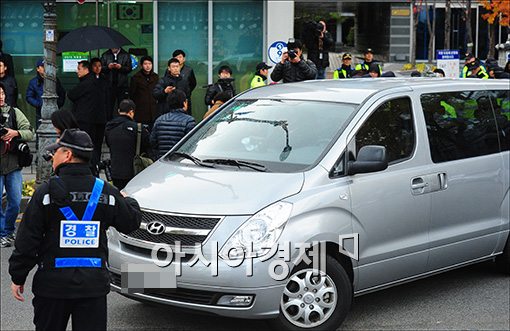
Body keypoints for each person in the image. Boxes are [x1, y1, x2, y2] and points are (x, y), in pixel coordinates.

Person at [8, 128, 142, 330]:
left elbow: (28, 240)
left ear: (68, 155)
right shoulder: (106, 192)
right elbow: (131, 222)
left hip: (52, 286)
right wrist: (128, 200)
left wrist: (18, 276)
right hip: (93, 286)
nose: (52, 156)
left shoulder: (45, 193)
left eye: (57, 151)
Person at [0, 82, 34, 248]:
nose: (0, 96)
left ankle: (8, 231)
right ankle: (2, 233)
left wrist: (16, 133)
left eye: (2, 93)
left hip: (13, 164)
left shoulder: (14, 112)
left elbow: (29, 132)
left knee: (15, 200)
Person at [105, 99, 151, 190]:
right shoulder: (138, 128)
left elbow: (108, 144)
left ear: (119, 111)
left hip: (115, 170)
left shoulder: (109, 127)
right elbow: (147, 145)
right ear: (131, 112)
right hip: (134, 171)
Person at [67, 60, 104, 172]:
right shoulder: (97, 82)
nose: (77, 71)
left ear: (86, 69)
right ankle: (95, 167)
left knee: (85, 145)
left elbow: (72, 94)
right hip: (98, 120)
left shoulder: (87, 83)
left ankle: (89, 168)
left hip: (86, 120)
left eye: (79, 69)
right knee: (95, 146)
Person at [151, 90, 195, 158]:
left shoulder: (159, 120)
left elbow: (153, 142)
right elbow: (192, 144)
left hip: (162, 161)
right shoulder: (189, 121)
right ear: (184, 103)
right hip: (180, 161)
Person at [25, 59, 66, 129]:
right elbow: (29, 97)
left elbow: (62, 93)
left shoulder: (55, 80)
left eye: (47, 66)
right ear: (38, 69)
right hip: (40, 113)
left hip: (55, 112)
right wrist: (39, 104)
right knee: (41, 131)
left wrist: (58, 104)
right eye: (43, 66)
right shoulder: (33, 82)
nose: (45, 68)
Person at [101, 47, 132, 121]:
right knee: (108, 107)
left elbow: (129, 68)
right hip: (109, 85)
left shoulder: (125, 55)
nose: (113, 48)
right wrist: (108, 67)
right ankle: (108, 123)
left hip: (122, 85)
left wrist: (121, 67)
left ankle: (122, 123)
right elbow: (101, 68)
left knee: (123, 106)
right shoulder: (105, 55)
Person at [129, 55, 159, 127]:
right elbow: (132, 94)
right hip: (141, 111)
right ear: (141, 65)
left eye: (150, 64)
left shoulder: (155, 77)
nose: (148, 66)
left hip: (153, 110)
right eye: (145, 64)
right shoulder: (136, 78)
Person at [172, 49, 197, 114]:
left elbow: (193, 83)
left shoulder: (189, 70)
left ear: (184, 59)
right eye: (176, 57)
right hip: (173, 98)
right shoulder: (169, 70)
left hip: (185, 98)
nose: (178, 59)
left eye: (180, 57)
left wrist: (187, 91)